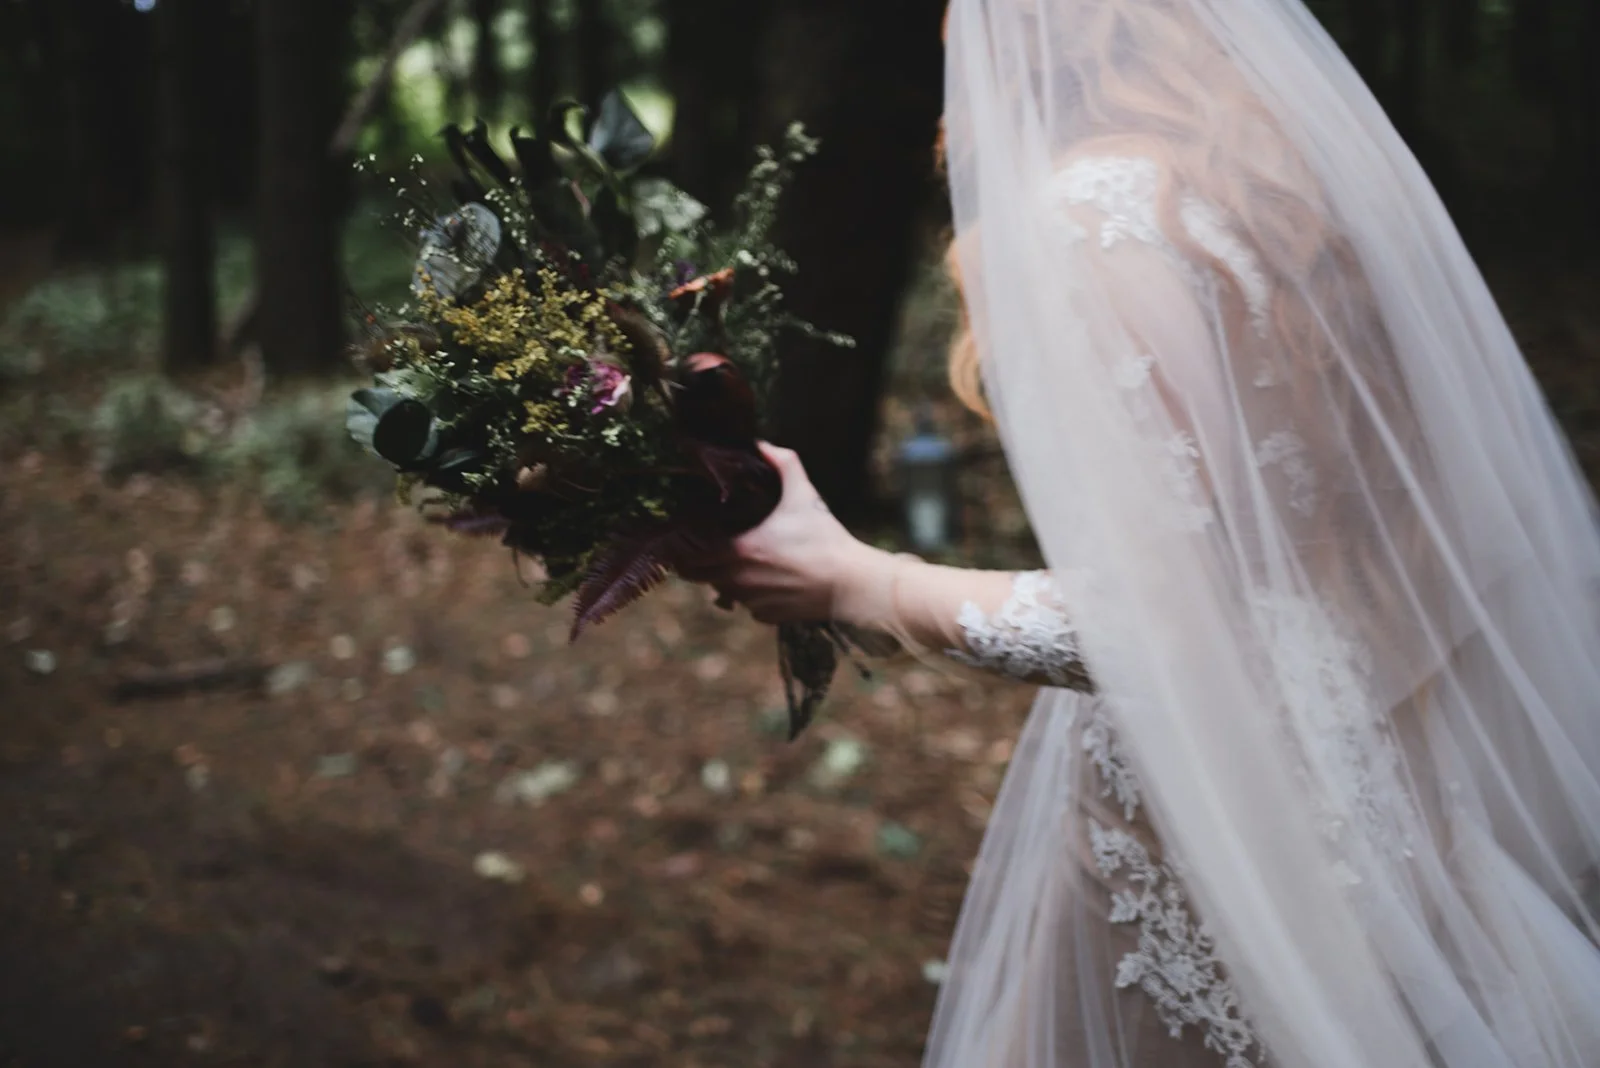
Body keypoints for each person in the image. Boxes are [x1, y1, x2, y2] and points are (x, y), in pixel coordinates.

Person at [684, 0, 1600, 1064]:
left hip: (1223, 809)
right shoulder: (1282, 184)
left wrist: (860, 581)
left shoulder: (1087, 219)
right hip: (1387, 758)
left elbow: (1163, 624)